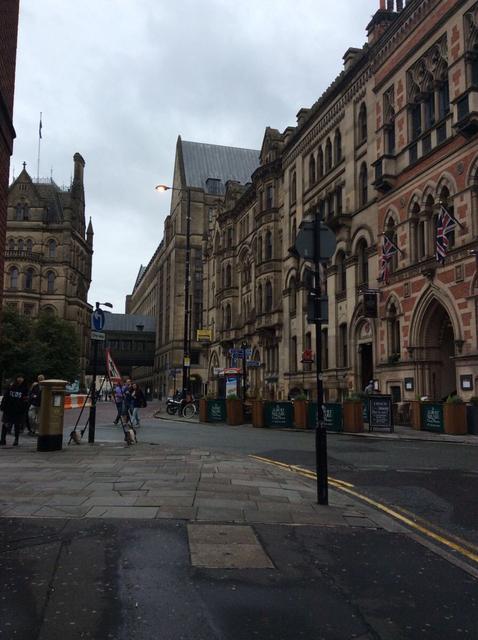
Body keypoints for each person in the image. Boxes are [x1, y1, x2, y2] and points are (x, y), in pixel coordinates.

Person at [1, 374, 29, 446]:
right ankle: (3, 439)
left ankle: (16, 440)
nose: (20, 379)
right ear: (16, 378)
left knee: (17, 425)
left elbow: (25, 400)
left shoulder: (25, 388)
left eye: (21, 378)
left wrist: (24, 409)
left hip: (18, 410)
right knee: (5, 423)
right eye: (19, 378)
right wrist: (3, 406)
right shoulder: (11, 386)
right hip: (9, 408)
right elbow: (6, 396)